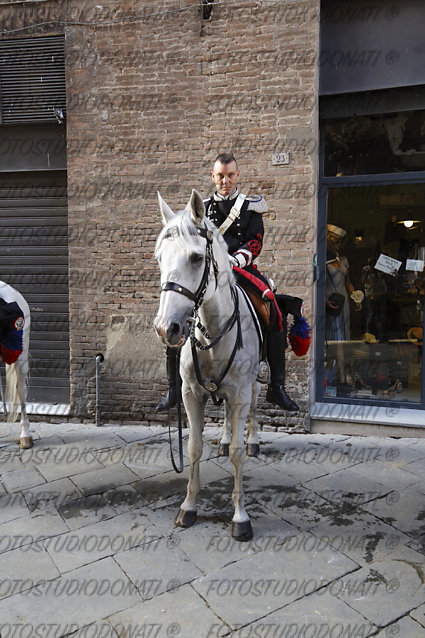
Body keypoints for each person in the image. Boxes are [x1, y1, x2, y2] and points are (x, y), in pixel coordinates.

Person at [156, 153, 299, 412]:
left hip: (241, 268)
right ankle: (174, 388)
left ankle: (276, 386)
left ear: (237, 176)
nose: (225, 181)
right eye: (220, 176)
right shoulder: (201, 208)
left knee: (274, 310)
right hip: (211, 271)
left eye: (230, 175)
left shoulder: (250, 206)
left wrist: (237, 259)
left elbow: (255, 240)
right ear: (213, 177)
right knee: (177, 314)